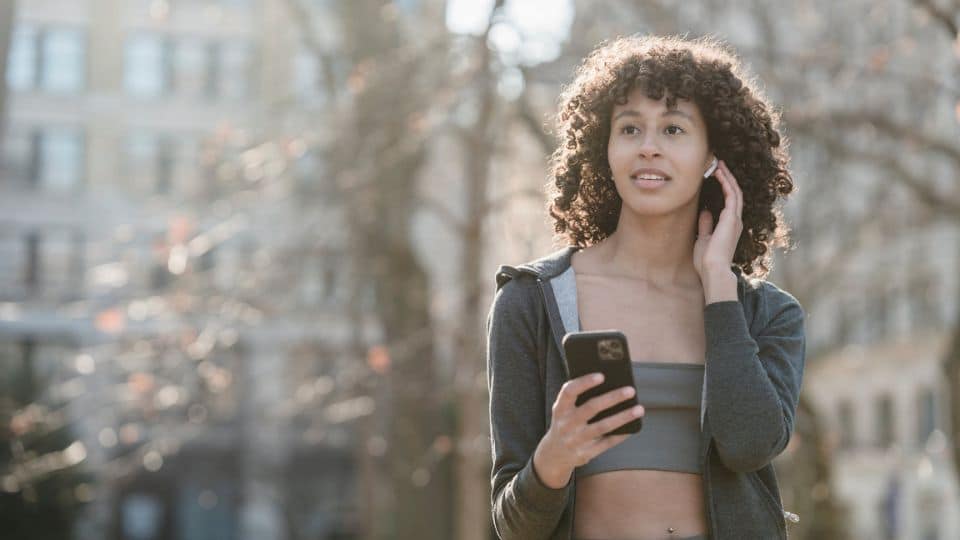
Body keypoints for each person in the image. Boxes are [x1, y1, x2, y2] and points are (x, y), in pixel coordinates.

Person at [486, 34, 806, 540]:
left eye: (674, 128)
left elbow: (750, 444)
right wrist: (555, 455)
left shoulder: (767, 314)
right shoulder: (531, 302)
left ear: (712, 158)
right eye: (629, 128)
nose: (649, 146)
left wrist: (719, 290)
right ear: (604, 148)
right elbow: (513, 526)